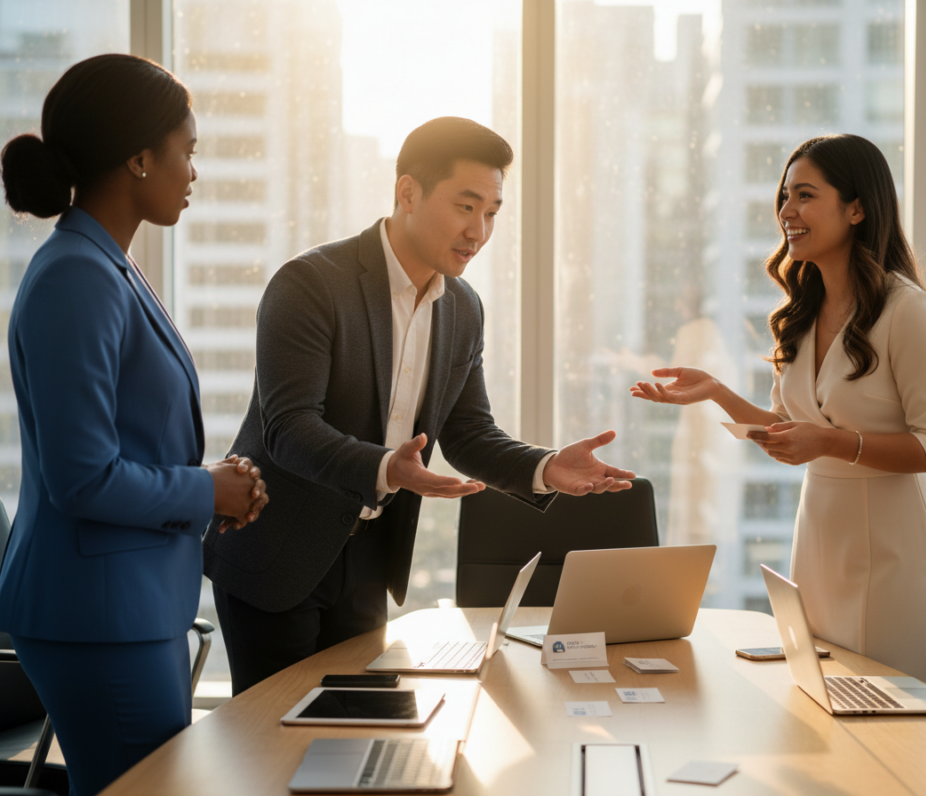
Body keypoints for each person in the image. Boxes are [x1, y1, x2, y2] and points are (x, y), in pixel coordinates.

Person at [204, 116, 636, 695]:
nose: (479, 230)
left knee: (357, 740)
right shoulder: (309, 283)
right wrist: (387, 468)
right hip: (279, 555)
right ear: (407, 192)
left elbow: (467, 433)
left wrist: (544, 466)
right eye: (466, 206)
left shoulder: (462, 307)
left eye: (492, 212)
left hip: (368, 561)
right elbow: (289, 428)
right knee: (276, 754)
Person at [0, 54, 269, 796]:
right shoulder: (77, 278)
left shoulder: (105, 265)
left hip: (128, 605)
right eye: (187, 151)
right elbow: (82, 476)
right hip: (97, 616)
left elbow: (133, 437)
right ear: (139, 157)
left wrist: (217, 488)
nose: (193, 171)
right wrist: (203, 492)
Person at [631, 134, 926, 686]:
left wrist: (832, 443)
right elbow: (789, 429)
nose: (787, 211)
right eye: (784, 196)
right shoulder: (802, 313)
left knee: (890, 718)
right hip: (820, 537)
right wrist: (715, 390)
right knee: (821, 699)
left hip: (896, 550)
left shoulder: (908, 313)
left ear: (856, 208)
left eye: (804, 195)